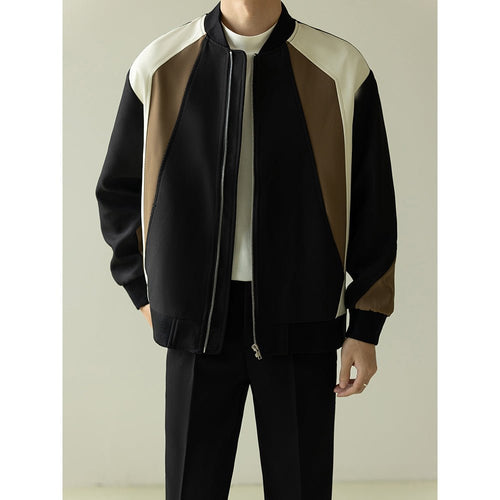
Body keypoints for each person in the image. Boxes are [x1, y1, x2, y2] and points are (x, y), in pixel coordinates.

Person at [95, 0, 397, 498]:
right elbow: (118, 190)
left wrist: (366, 326)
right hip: (197, 324)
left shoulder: (342, 68)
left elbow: (374, 205)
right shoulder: (159, 64)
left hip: (303, 319)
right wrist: (144, 293)